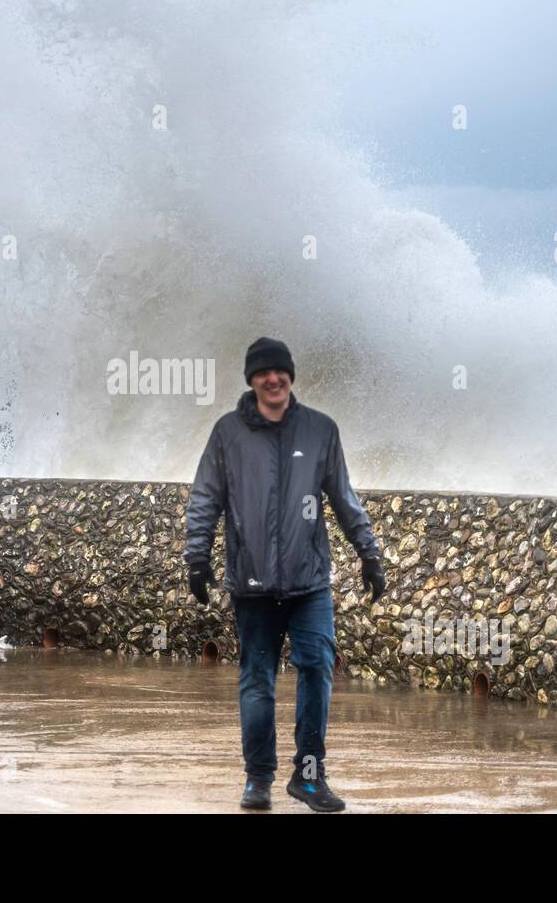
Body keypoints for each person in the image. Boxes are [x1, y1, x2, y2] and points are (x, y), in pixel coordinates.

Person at [184, 337, 387, 812]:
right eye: (263, 373)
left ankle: (309, 777)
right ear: (251, 380)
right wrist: (197, 560)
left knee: (317, 668)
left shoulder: (320, 430)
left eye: (281, 372)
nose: (273, 380)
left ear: (291, 376)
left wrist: (370, 555)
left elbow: (344, 497)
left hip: (309, 582)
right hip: (251, 584)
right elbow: (204, 499)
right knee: (258, 680)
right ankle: (258, 780)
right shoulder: (227, 433)